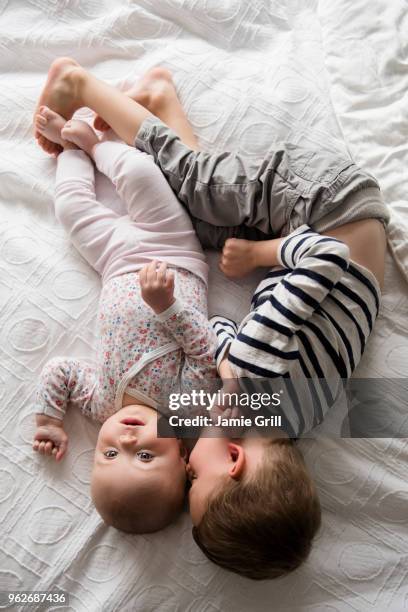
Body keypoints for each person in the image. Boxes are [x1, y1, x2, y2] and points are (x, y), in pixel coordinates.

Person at [33, 60, 387, 578]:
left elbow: (228, 336)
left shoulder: (294, 416)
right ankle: (81, 85)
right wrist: (261, 257)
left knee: (199, 217)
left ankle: (158, 97)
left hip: (338, 234)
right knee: (199, 189)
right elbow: (328, 259)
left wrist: (219, 357)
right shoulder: (256, 375)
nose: (189, 471)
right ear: (235, 463)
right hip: (329, 205)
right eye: (197, 483)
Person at [32, 111, 217, 534]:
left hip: (114, 264)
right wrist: (167, 305)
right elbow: (204, 352)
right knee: (139, 173)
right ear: (183, 458)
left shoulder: (100, 407)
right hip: (173, 252)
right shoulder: (182, 413)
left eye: (109, 455)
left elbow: (61, 371)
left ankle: (71, 150)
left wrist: (49, 420)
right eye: (146, 457)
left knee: (69, 209)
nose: (127, 442)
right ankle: (98, 145)